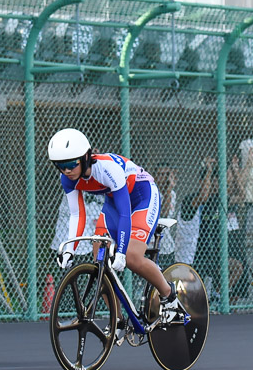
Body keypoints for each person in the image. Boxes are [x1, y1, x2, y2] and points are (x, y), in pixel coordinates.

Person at [46, 128, 184, 324]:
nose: (66, 170)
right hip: (114, 202)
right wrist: (70, 250)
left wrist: (120, 253)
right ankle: (117, 320)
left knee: (132, 257)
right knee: (99, 260)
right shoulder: (67, 179)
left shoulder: (106, 169)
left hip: (142, 197)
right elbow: (77, 214)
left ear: (86, 157)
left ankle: (170, 298)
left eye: (70, 164)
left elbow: (124, 213)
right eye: (59, 166)